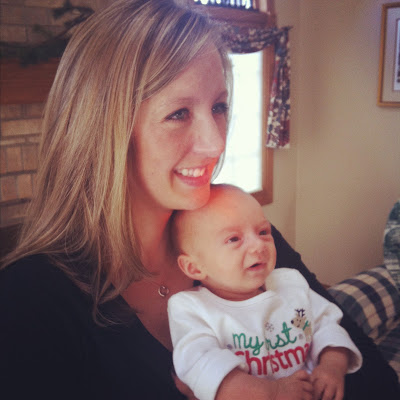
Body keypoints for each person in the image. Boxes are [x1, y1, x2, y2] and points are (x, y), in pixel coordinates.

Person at [0, 1, 398, 399]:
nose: (216, 143)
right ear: (104, 129)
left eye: (219, 107)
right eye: (178, 113)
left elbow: (374, 380)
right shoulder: (29, 302)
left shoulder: (244, 237)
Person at [168, 184, 362, 400]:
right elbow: (202, 366)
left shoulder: (290, 283)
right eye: (234, 239)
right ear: (195, 267)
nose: (258, 245)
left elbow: (327, 326)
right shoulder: (192, 308)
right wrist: (272, 392)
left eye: (263, 232)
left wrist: (332, 367)